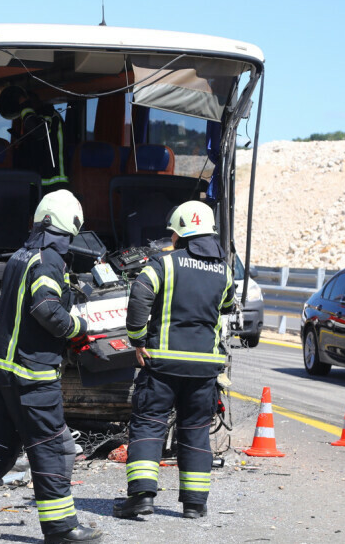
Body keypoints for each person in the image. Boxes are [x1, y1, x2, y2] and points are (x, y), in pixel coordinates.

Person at [0, 189, 102, 543]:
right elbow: (45, 308)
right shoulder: (49, 260)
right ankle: (61, 529)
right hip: (32, 377)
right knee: (54, 448)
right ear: (69, 224)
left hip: (3, 373)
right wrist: (78, 326)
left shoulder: (22, 254)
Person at [114, 200, 234, 520]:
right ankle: (195, 504)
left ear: (179, 235)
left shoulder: (163, 264)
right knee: (195, 430)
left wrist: (138, 340)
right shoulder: (224, 272)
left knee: (148, 426)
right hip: (204, 368)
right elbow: (225, 309)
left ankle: (141, 497)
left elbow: (140, 297)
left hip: (163, 364)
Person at [0, 85, 68, 191]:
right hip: (38, 183)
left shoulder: (48, 113)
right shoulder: (37, 119)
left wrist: (24, 105)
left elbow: (39, 131)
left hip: (55, 183)